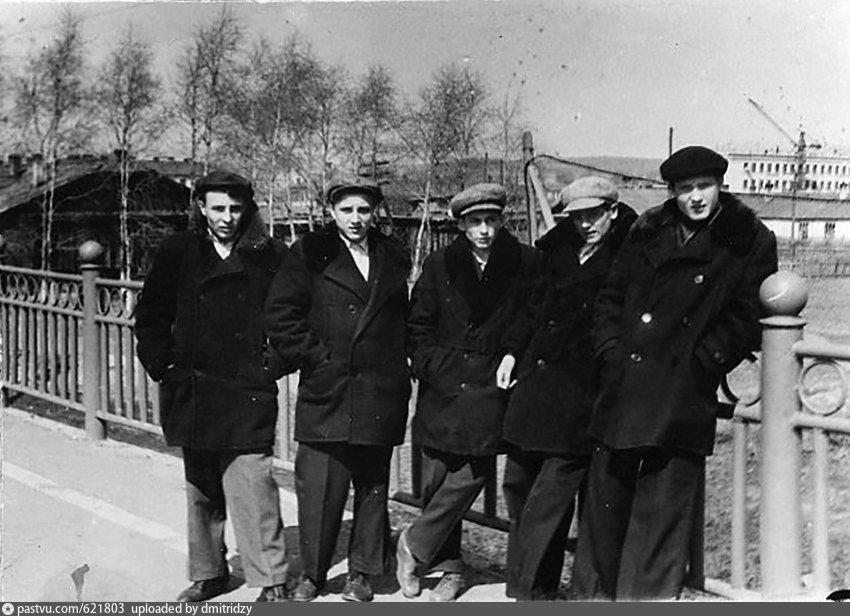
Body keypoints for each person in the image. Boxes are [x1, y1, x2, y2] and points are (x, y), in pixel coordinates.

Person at [571, 146, 778, 601]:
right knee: (606, 502)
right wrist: (610, 350)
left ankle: (646, 599)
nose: (696, 197)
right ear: (672, 192)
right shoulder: (648, 229)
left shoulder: (748, 239)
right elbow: (611, 296)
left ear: (720, 186)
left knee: (662, 505)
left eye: (704, 186)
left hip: (682, 385)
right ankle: (592, 599)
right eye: (685, 189)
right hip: (625, 380)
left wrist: (704, 360)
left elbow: (747, 317)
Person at [134, 170, 291, 603]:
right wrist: (164, 365)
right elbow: (151, 315)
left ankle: (271, 579)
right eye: (218, 208)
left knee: (253, 483)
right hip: (193, 386)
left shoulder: (270, 254)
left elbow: (293, 314)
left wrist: (273, 363)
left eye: (235, 208)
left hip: (247, 388)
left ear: (247, 209)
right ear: (201, 207)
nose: (227, 217)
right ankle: (209, 573)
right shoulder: (178, 251)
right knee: (201, 487)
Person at [264, 179, 412, 602]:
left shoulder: (391, 256)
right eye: (347, 210)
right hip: (329, 386)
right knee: (319, 486)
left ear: (374, 213)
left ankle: (362, 573)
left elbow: (402, 319)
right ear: (332, 212)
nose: (356, 219)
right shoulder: (310, 253)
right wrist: (316, 356)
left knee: (372, 485)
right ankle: (312, 574)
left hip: (379, 388)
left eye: (364, 210)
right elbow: (281, 315)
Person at [396, 183, 539, 602]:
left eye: (491, 220)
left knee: (475, 469)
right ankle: (449, 570)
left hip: (491, 379)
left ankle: (413, 543)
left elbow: (530, 316)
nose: (484, 230)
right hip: (444, 382)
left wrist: (512, 353)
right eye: (475, 222)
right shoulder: (440, 263)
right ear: (461, 225)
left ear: (502, 221)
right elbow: (418, 324)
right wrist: (432, 365)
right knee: (437, 476)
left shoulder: (524, 262)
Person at [500, 176, 637, 601]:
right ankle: (534, 589)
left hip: (582, 394)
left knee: (548, 500)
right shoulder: (556, 252)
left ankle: (528, 595)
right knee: (519, 487)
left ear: (613, 211)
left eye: (594, 215)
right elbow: (531, 309)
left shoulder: (630, 256)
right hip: (535, 386)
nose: (586, 224)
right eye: (577, 217)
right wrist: (511, 353)